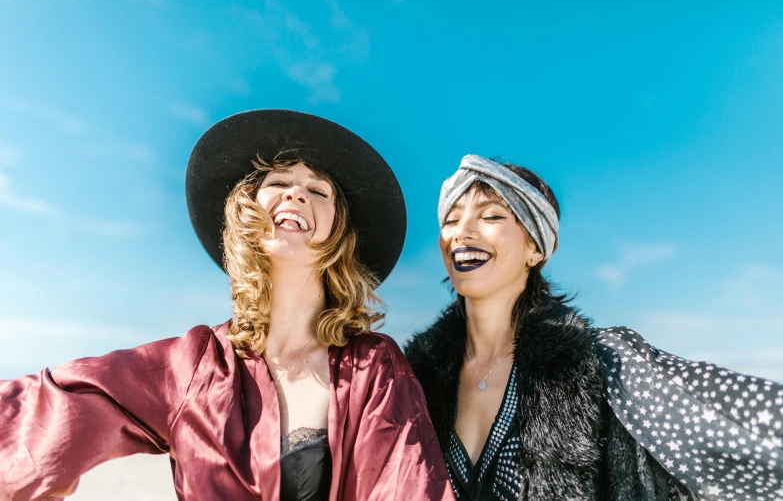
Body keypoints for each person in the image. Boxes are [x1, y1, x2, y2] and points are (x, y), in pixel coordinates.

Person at [0, 110, 455, 501]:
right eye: (279, 182)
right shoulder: (192, 367)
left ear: (338, 234)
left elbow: (407, 483)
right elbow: (52, 410)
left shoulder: (375, 366)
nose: (297, 194)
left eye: (319, 191)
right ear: (247, 213)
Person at [405, 154, 783, 501]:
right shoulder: (409, 376)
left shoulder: (604, 360)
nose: (462, 232)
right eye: (451, 220)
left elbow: (734, 411)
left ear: (535, 249)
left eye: (491, 217)